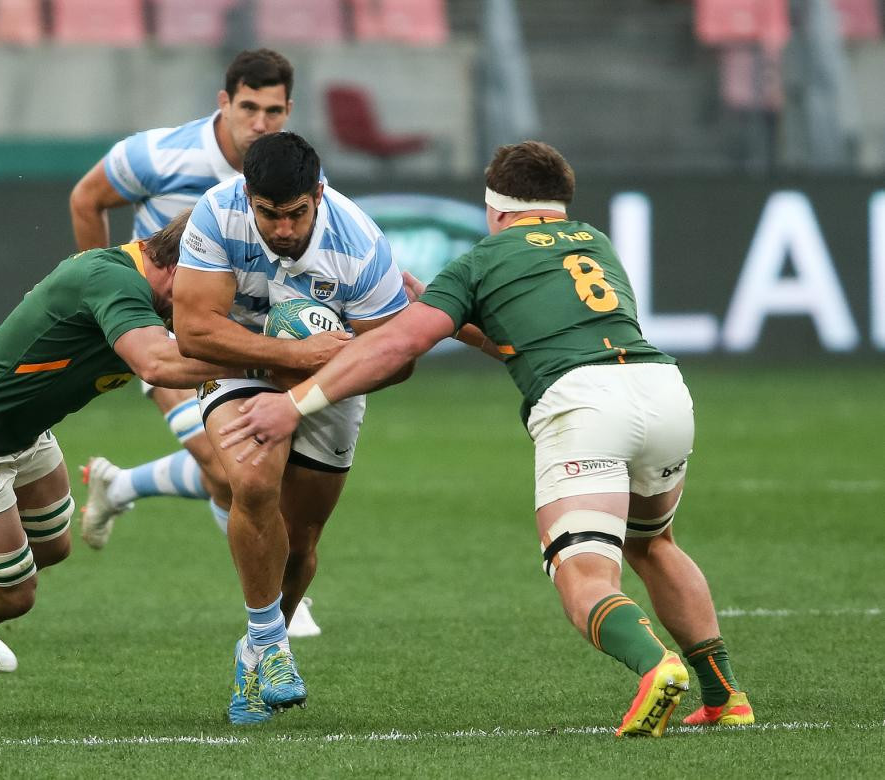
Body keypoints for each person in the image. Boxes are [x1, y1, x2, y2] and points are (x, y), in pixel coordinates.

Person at [217, 140, 754, 737]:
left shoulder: (485, 259)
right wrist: (446, 306)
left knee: (582, 575)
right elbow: (515, 337)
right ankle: (725, 695)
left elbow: (397, 345)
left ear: (496, 209)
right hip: (662, 390)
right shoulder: (594, 243)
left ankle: (656, 667)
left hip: (584, 407)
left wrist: (296, 403)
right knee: (654, 545)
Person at [0, 212, 234, 721]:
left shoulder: (147, 289)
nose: (214, 298)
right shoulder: (111, 279)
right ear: (180, 267)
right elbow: (158, 364)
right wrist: (269, 360)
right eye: (211, 281)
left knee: (52, 547)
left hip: (23, 434)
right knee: (15, 592)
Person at [68, 48, 321, 637]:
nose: (261, 122)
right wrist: (101, 296)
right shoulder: (157, 154)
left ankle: (119, 484)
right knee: (227, 465)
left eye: (275, 110)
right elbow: (87, 198)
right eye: (250, 107)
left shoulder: (285, 174)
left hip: (253, 338)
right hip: (174, 337)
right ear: (224, 102)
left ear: (289, 110)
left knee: (228, 474)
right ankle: (279, 597)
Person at [170, 131, 419, 725]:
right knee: (253, 484)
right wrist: (287, 353)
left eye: (295, 213)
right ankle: (275, 644)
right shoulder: (218, 211)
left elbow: (397, 358)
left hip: (330, 376)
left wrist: (312, 378)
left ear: (319, 194)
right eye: (268, 213)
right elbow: (194, 330)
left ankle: (252, 653)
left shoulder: (359, 245)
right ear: (249, 198)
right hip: (240, 362)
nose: (281, 228)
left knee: (302, 542)